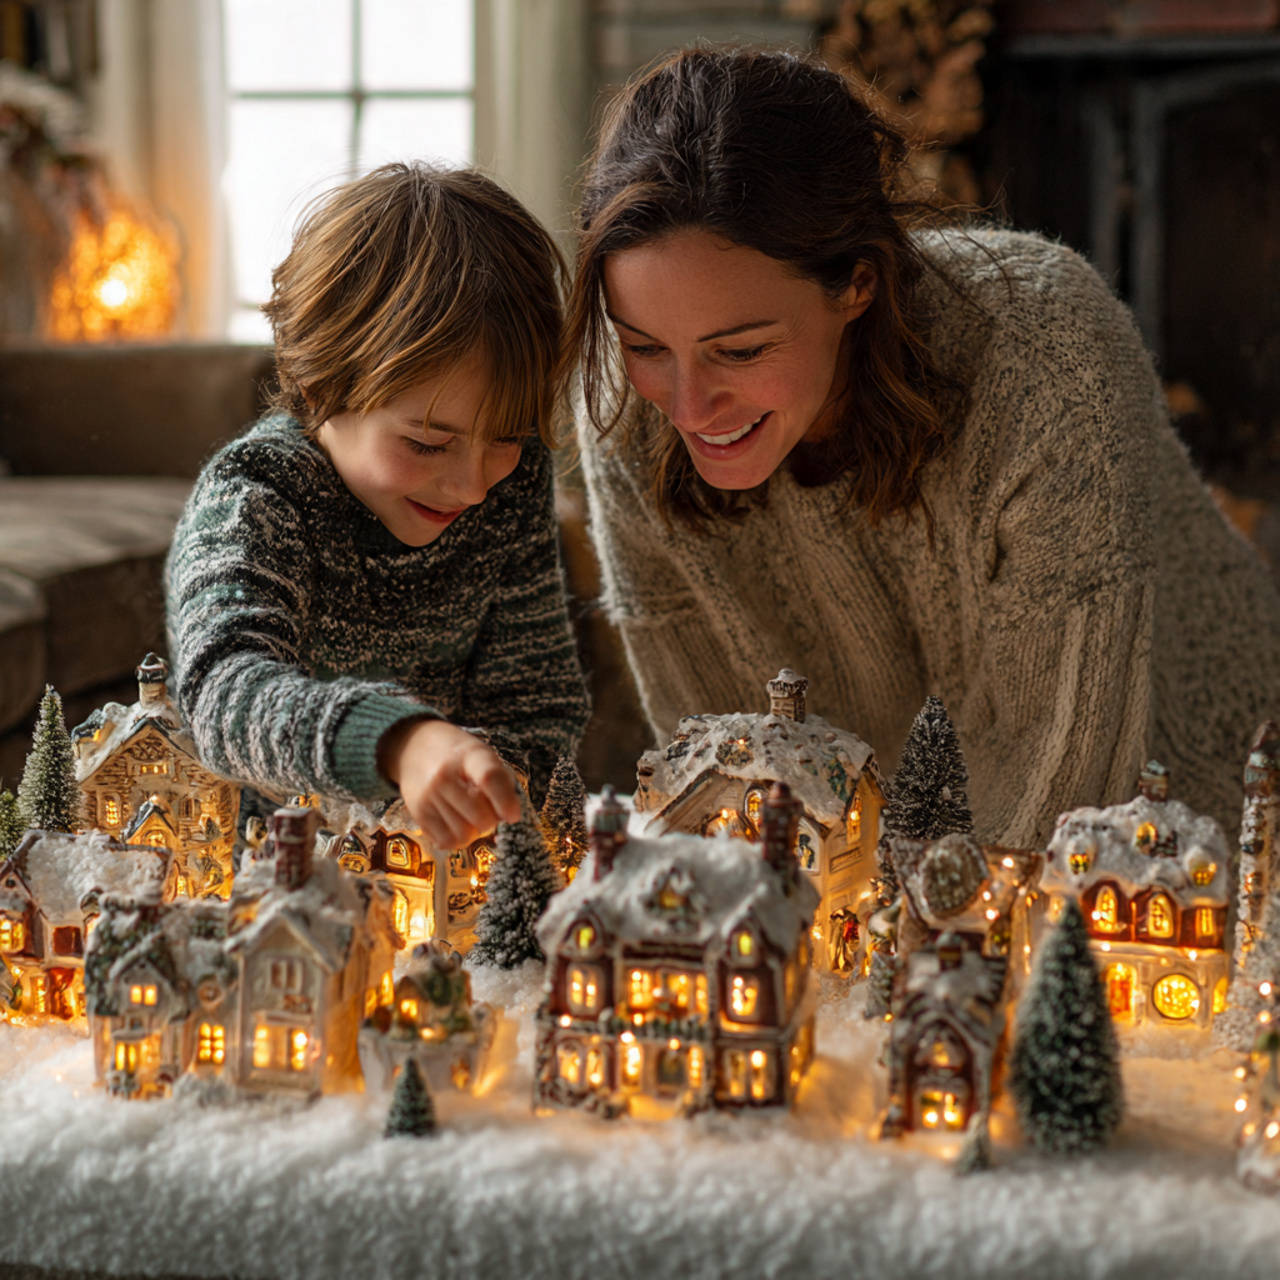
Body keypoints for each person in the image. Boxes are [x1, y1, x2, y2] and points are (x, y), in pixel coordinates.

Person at [569, 47, 1280, 846]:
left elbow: (1054, 809)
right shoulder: (623, 410)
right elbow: (719, 774)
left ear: (859, 285)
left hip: (1195, 831)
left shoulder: (1047, 357)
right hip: (877, 882)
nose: (689, 406)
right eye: (645, 345)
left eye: (739, 351)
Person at [167, 163, 589, 850]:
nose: (475, 484)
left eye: (507, 437)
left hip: (447, 875)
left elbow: (537, 703)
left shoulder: (514, 484)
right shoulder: (256, 498)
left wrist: (492, 792)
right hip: (270, 879)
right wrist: (400, 742)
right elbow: (225, 695)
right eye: (428, 442)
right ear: (317, 384)